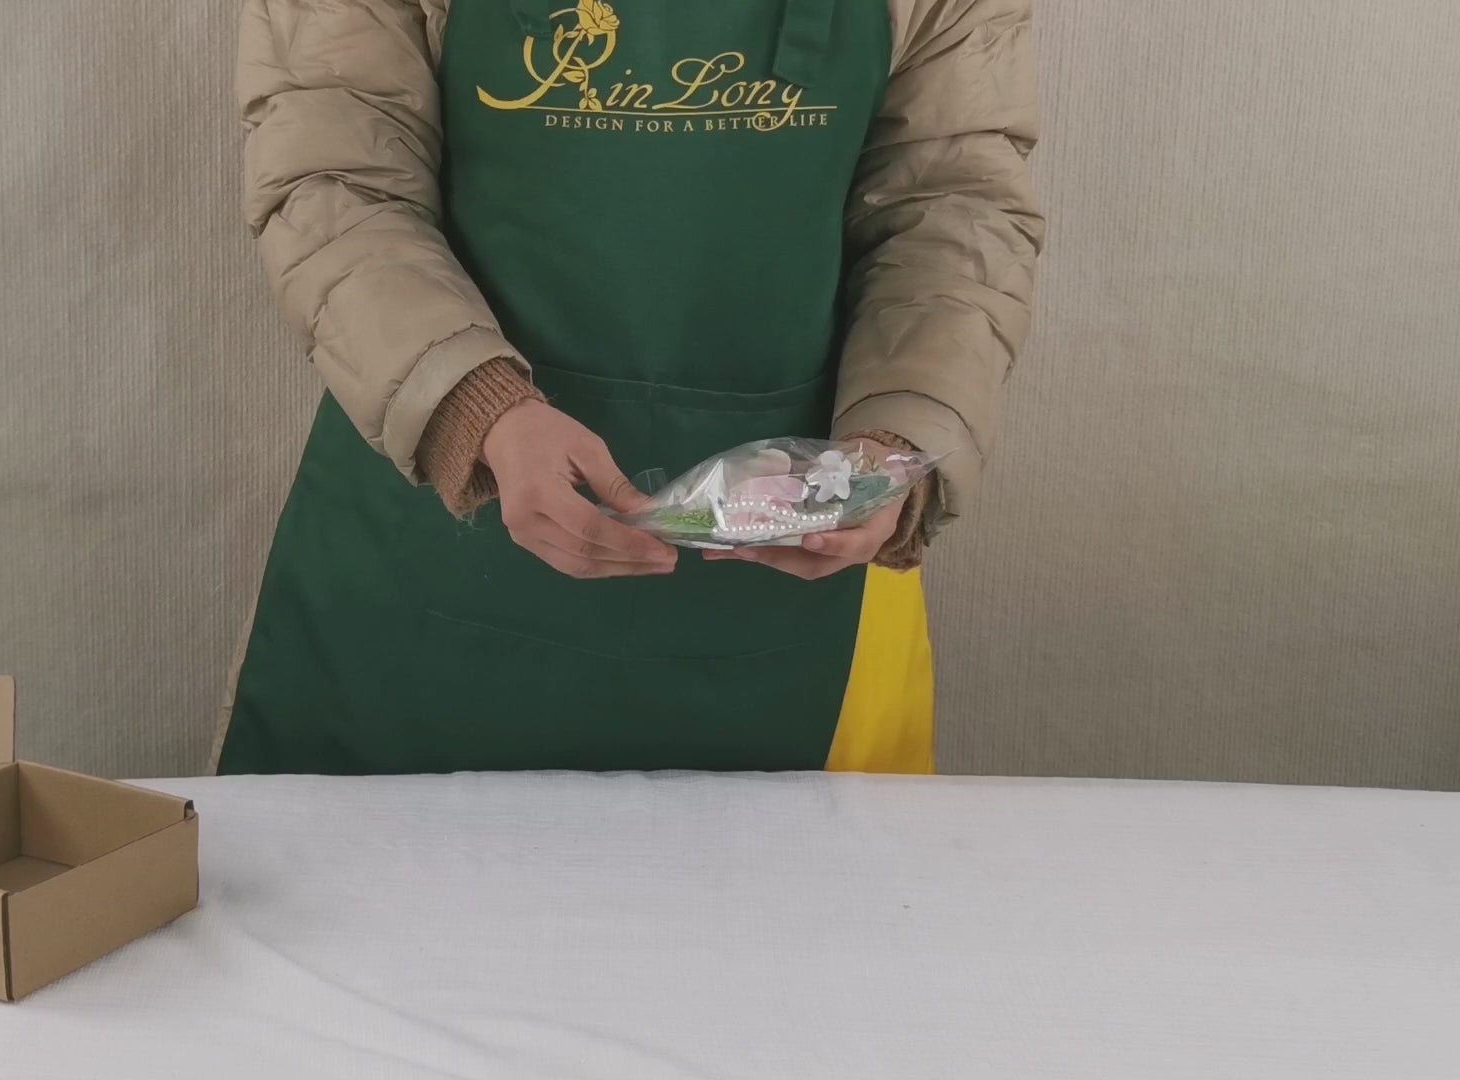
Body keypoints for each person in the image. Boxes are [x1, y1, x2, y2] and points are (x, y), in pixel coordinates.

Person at [216, 0, 1043, 775]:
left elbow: (953, 207)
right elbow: (334, 181)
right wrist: (477, 410)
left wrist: (892, 451)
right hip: (435, 534)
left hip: (802, 581)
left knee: (800, 916)